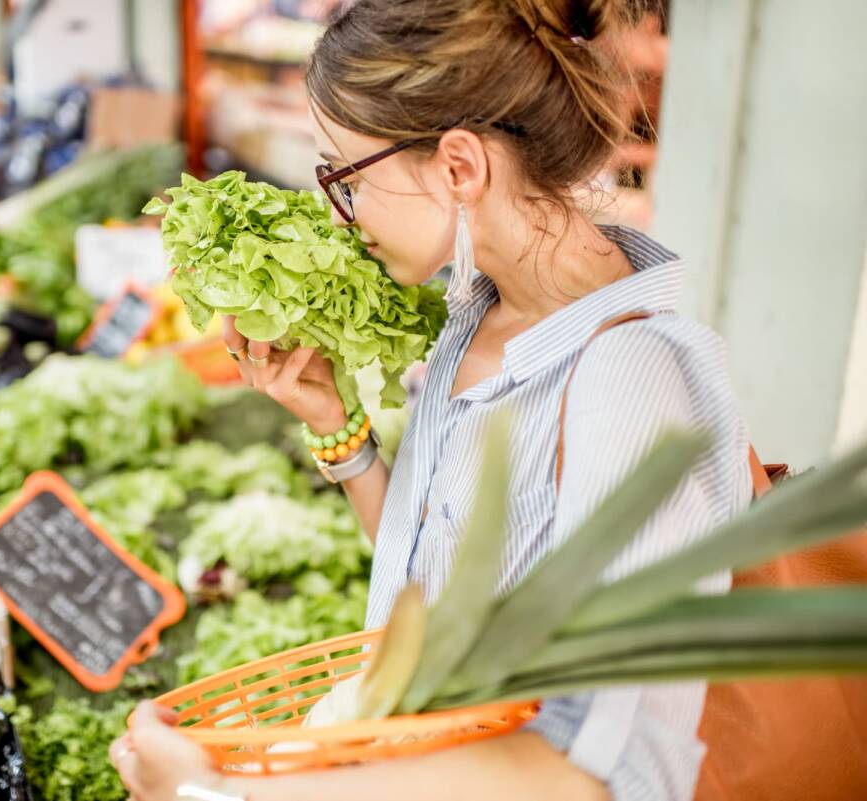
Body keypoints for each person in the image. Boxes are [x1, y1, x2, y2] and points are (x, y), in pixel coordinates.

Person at [111, 0, 753, 799]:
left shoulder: (634, 383)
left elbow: (600, 773)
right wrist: (340, 432)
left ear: (459, 167)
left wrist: (219, 793)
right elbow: (438, 590)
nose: (339, 218)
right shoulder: (476, 308)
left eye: (343, 177)